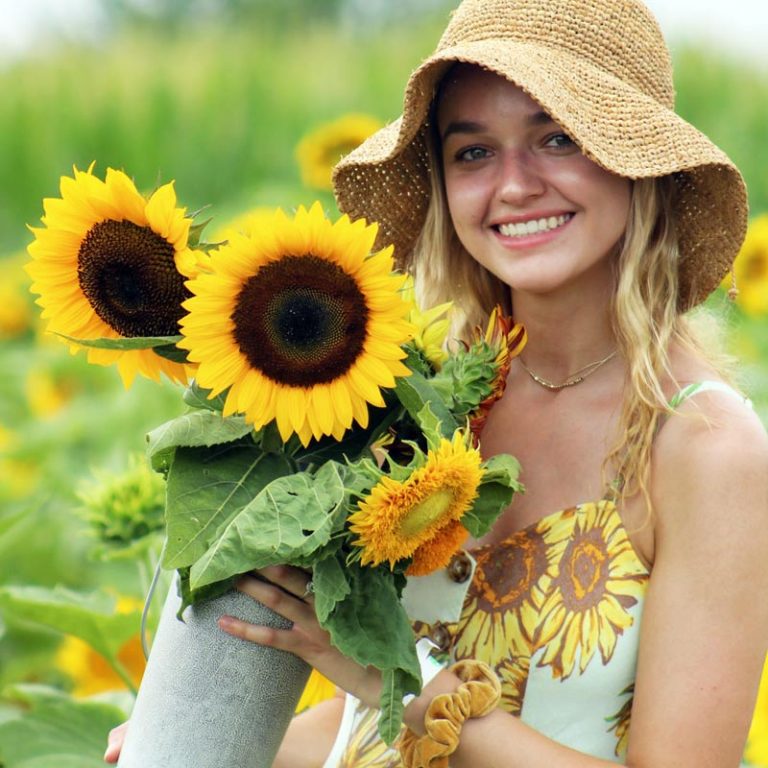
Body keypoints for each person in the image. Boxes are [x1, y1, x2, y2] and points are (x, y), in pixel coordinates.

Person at [106, 0, 768, 765]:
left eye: (556, 138)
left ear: (636, 163)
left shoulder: (708, 452)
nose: (514, 186)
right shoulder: (429, 398)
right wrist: (201, 743)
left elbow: (392, 683)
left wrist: (403, 683)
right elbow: (364, 707)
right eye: (473, 153)